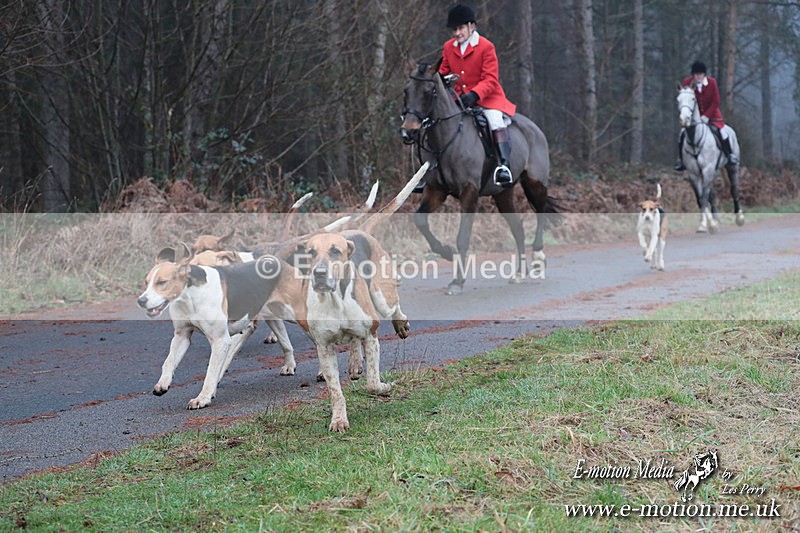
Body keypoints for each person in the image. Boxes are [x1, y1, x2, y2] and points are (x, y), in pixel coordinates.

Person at [439, 4, 516, 187]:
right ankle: (432, 170)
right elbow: (442, 72)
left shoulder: (486, 47)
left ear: (471, 26)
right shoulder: (448, 47)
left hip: (487, 99)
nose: (457, 33)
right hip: (458, 100)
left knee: (495, 120)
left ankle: (503, 166)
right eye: (454, 29)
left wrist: (474, 95)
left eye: (460, 28)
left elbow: (490, 79)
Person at [674, 61, 739, 171]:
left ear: (704, 75)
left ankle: (729, 156)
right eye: (696, 74)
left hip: (712, 115)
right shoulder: (687, 82)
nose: (698, 76)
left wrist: (707, 116)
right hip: (694, 117)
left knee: (723, 132)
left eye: (700, 74)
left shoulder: (712, 83)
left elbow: (716, 101)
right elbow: (686, 99)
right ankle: (681, 160)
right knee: (681, 135)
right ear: (693, 75)